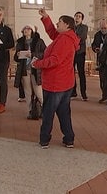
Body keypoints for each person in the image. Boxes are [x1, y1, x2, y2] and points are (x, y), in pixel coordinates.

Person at [31, 9, 78, 148]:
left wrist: (36, 63)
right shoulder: (65, 36)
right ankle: (69, 138)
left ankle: (44, 139)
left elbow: (54, 60)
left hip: (56, 83)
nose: (57, 23)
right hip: (65, 82)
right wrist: (46, 18)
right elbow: (53, 32)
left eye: (60, 22)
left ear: (67, 26)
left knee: (48, 113)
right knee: (63, 112)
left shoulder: (64, 40)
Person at [14, 24, 47, 120]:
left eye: (28, 28)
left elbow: (45, 53)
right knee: (27, 92)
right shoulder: (20, 42)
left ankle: (45, 110)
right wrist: (18, 54)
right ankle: (30, 111)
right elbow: (16, 58)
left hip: (35, 70)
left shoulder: (39, 41)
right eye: (24, 28)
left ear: (32, 31)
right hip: (24, 70)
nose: (26, 30)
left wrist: (32, 54)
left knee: (38, 92)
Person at [91, 19, 107, 103]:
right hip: (101, 60)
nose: (103, 30)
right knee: (102, 80)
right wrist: (95, 48)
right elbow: (94, 44)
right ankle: (104, 95)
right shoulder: (97, 35)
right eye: (102, 28)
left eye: (105, 28)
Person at [72, 11, 88, 100]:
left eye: (79, 16)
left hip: (80, 52)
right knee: (71, 73)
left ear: (82, 19)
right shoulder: (71, 27)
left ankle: (83, 93)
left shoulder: (84, 27)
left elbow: (82, 38)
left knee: (81, 73)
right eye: (76, 16)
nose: (77, 17)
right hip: (71, 53)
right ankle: (73, 92)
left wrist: (73, 40)